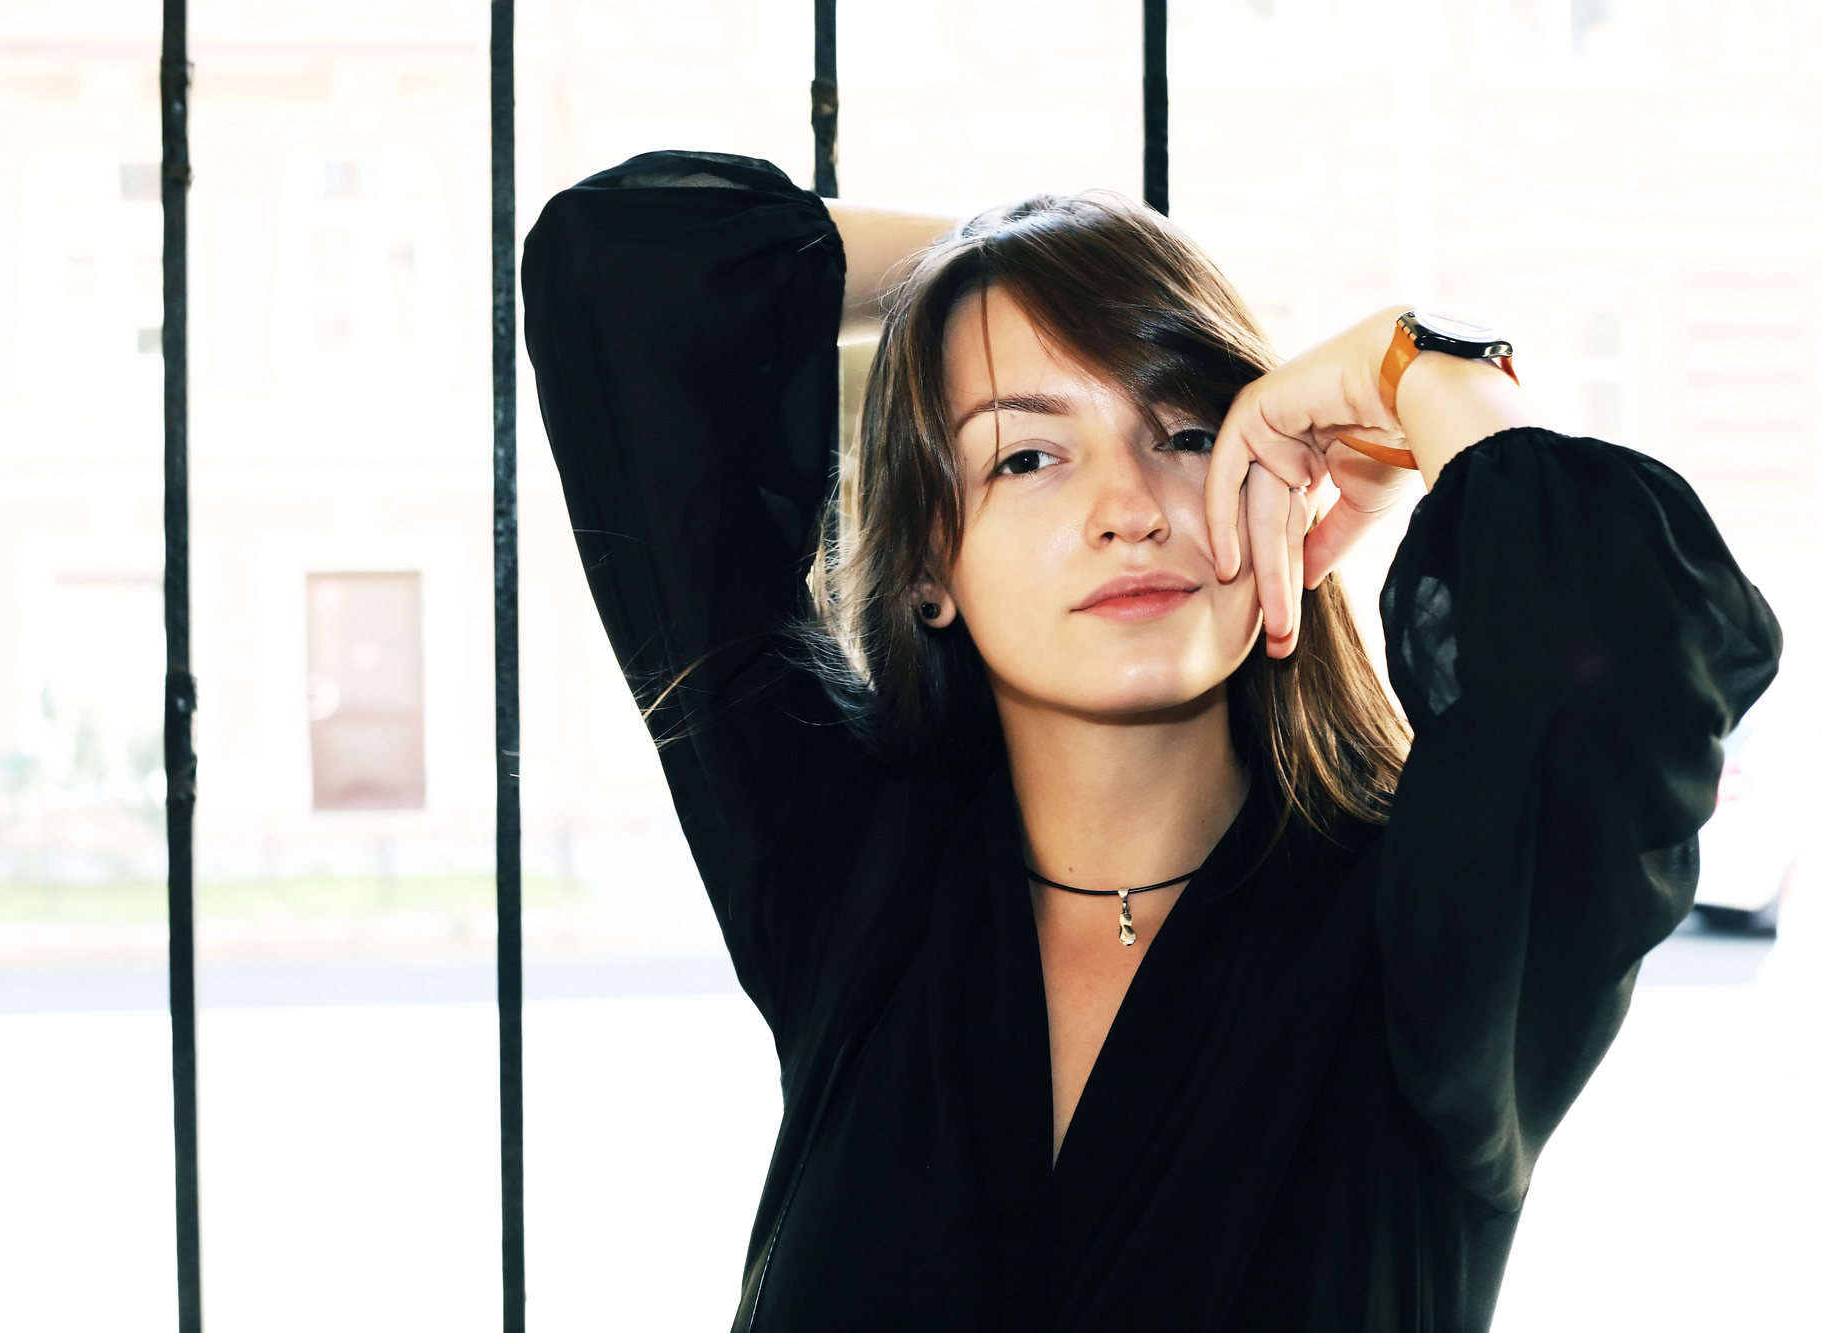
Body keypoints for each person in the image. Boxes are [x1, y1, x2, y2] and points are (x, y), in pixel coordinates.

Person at [521, 150, 1779, 1332]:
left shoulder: (1430, 942)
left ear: (1278, 477)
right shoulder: (849, 871)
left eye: (1184, 433)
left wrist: (1415, 371)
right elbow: (620, 265)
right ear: (927, 570)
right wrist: (998, 266)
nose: (1126, 508)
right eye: (1024, 454)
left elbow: (1610, 655)